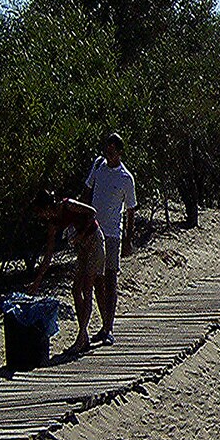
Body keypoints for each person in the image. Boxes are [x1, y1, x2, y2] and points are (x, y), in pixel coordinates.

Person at [29, 189, 105, 353]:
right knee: (76, 289)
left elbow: (92, 212)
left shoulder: (68, 205)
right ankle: (83, 334)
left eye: (41, 212)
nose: (42, 216)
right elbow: (48, 255)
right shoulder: (53, 222)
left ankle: (82, 336)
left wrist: (81, 234)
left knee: (87, 288)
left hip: (94, 240)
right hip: (82, 246)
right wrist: (37, 281)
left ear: (47, 207)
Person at [83, 132, 136, 346]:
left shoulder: (126, 178)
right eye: (107, 150)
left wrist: (128, 238)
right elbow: (87, 190)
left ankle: (109, 327)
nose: (108, 154)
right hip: (94, 231)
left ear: (120, 152)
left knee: (111, 278)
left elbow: (131, 209)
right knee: (97, 279)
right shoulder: (98, 166)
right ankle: (104, 323)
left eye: (112, 151)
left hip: (112, 233)